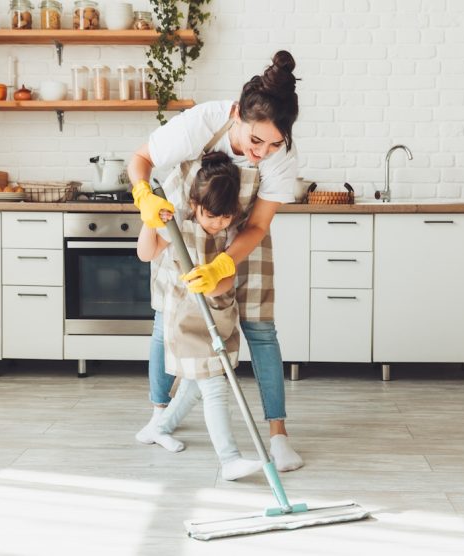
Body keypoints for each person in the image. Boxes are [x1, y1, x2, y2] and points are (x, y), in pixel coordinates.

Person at [130, 50, 304, 472]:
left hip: (244, 238)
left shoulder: (282, 158)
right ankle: (160, 415)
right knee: (166, 322)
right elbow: (142, 160)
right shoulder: (205, 121)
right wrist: (144, 199)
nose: (262, 152)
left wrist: (225, 265)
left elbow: (258, 225)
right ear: (237, 116)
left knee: (261, 331)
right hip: (186, 230)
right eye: (254, 140)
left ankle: (278, 436)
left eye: (274, 143)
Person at [136, 152, 262, 481]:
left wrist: (215, 277)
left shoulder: (232, 231)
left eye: (223, 217)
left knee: (194, 384)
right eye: (209, 215)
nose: (215, 223)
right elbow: (145, 254)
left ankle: (159, 429)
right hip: (186, 320)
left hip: (219, 315)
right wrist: (150, 223)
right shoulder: (176, 224)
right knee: (214, 386)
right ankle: (230, 459)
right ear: (194, 203)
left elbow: (229, 278)